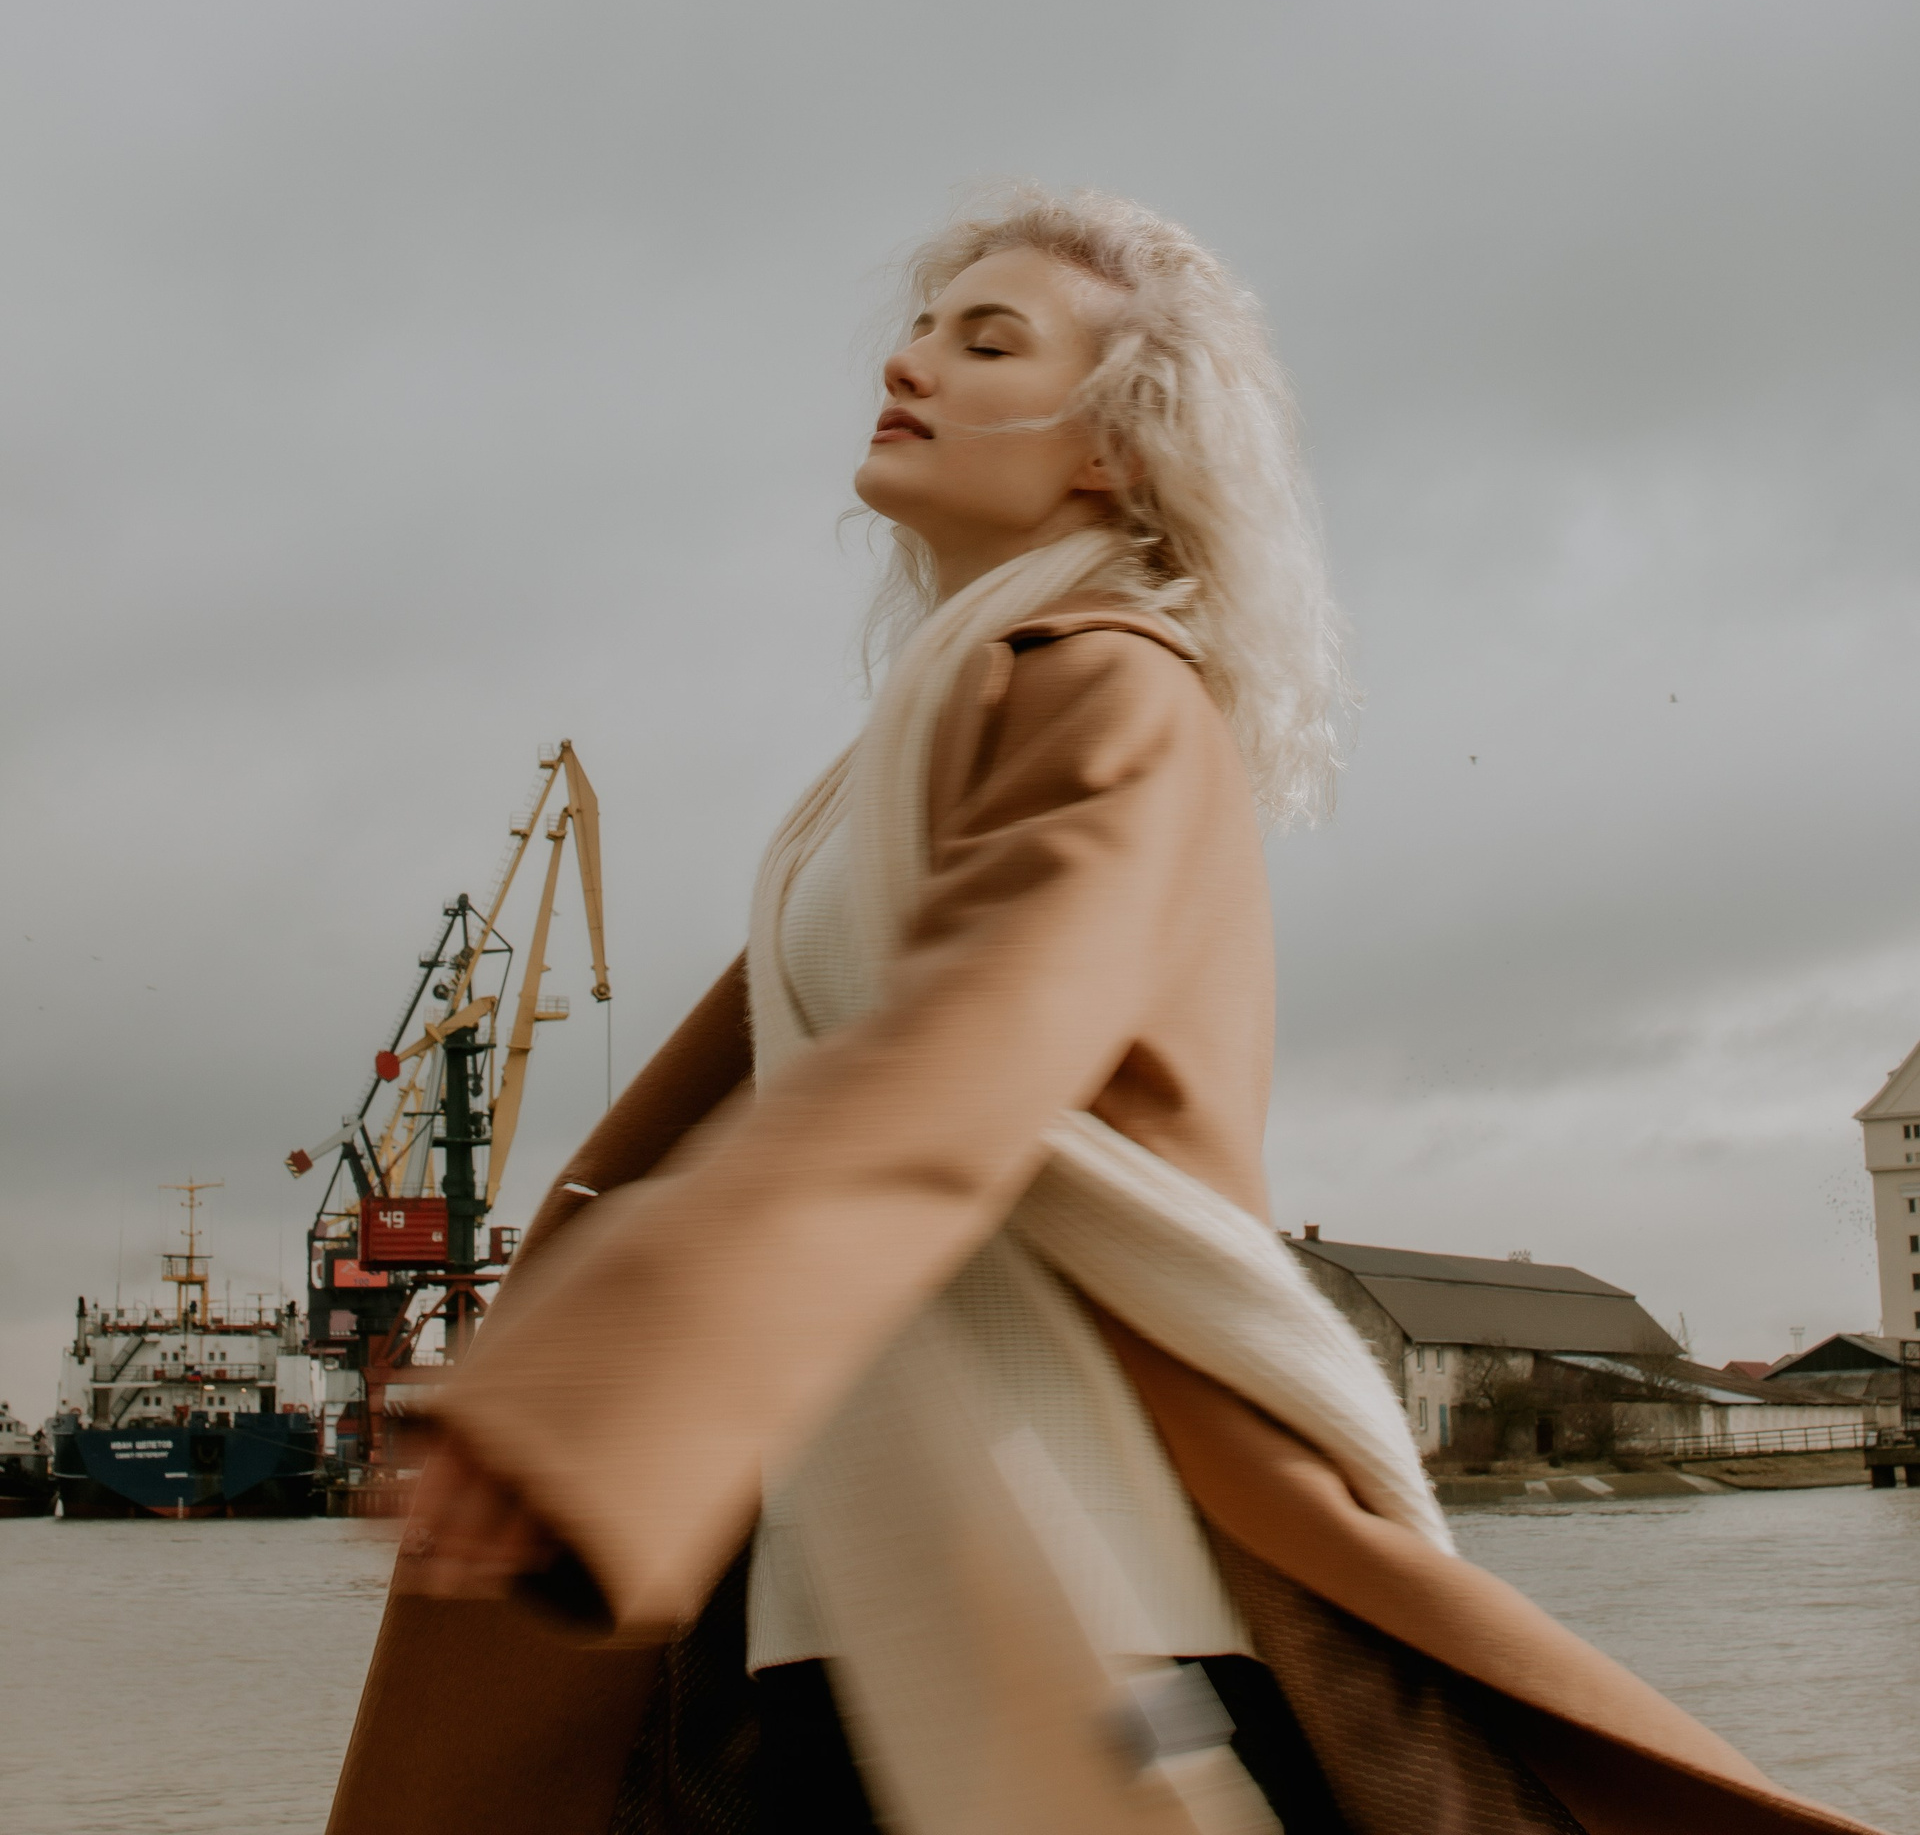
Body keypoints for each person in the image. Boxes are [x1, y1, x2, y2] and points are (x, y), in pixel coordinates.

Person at [328, 189, 1873, 1835]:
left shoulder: (1113, 686)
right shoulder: (908, 752)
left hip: (1082, 1602)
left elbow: (963, 1059)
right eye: (921, 329)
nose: (910, 362)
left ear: (1117, 450)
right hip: (847, 1611)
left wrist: (610, 1370)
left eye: (988, 343)